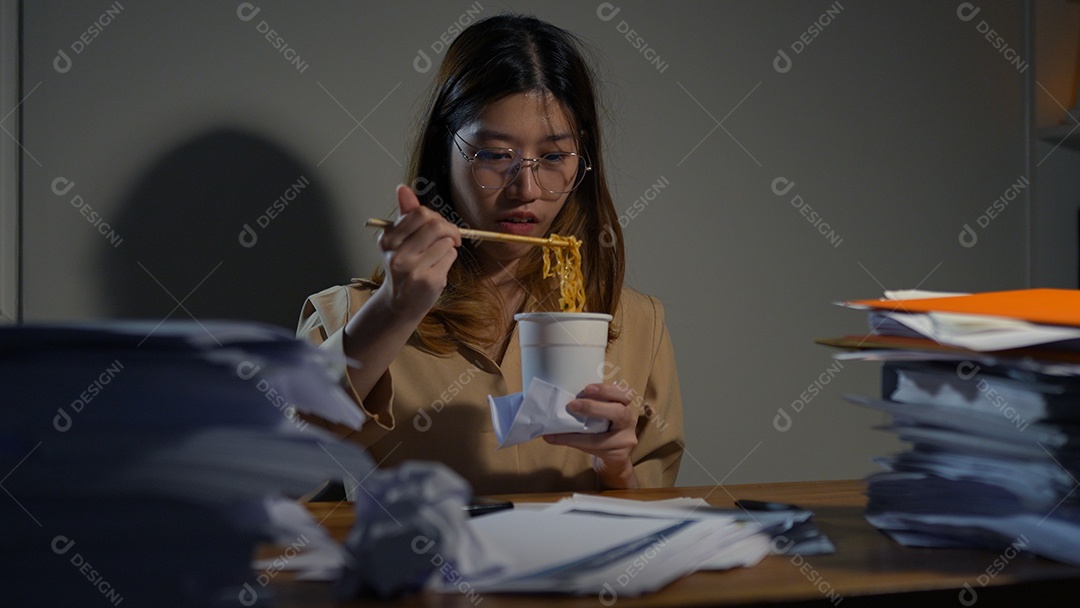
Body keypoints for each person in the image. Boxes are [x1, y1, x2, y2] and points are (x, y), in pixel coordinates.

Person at [297, 14, 683, 495]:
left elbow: (656, 522)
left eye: (553, 158)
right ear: (446, 153)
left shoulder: (636, 323)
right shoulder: (350, 316)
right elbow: (289, 467)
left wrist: (616, 467)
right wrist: (396, 308)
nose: (526, 188)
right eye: (495, 155)